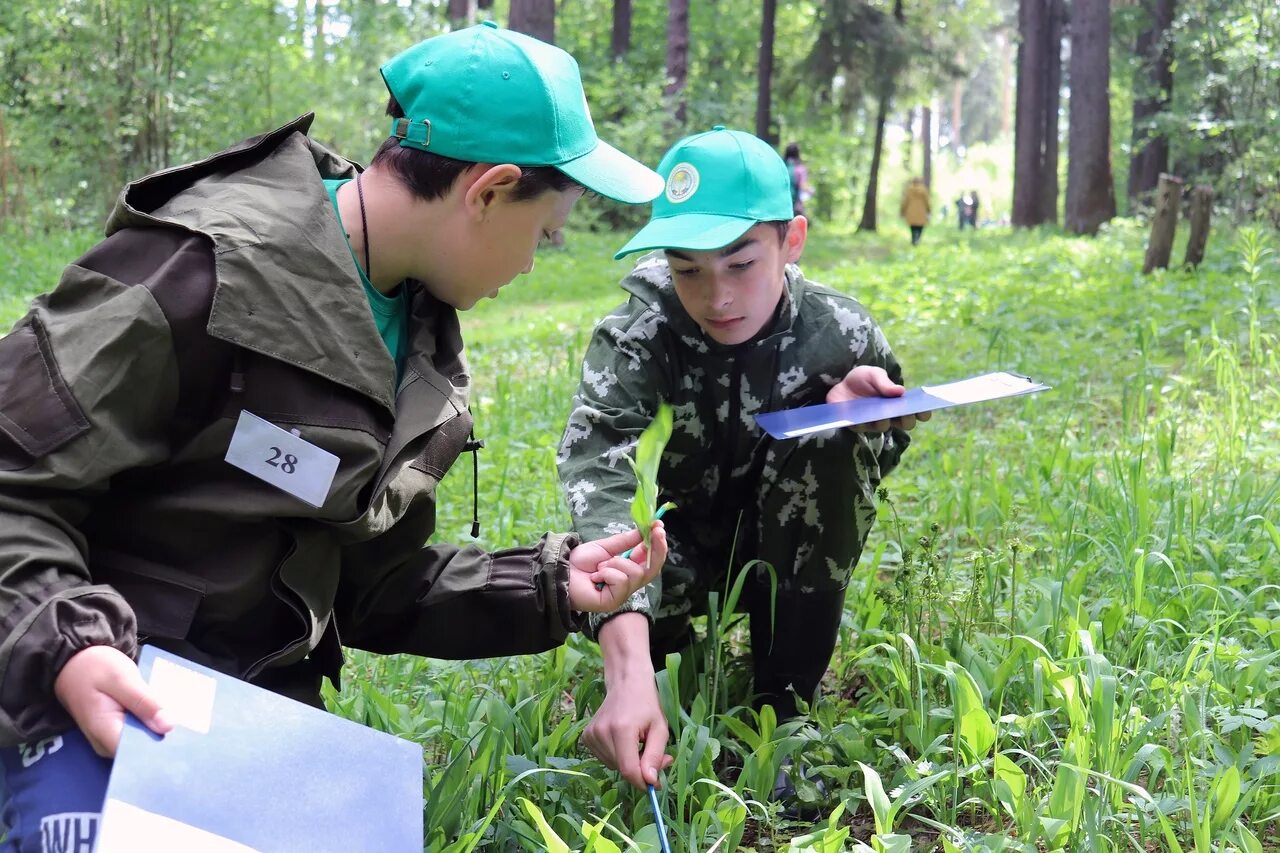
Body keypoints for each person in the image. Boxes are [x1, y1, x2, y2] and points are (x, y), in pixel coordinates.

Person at [0, 22, 670, 852]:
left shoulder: (417, 335)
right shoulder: (202, 270)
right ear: (489, 190)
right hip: (96, 685)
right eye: (545, 232)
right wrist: (65, 642)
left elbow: (368, 585)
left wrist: (546, 584)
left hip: (250, 716)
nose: (535, 263)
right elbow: (13, 479)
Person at [557, 128, 928, 793]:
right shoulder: (645, 329)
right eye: (687, 268)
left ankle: (783, 712)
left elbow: (882, 456)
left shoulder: (839, 332)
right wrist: (626, 643)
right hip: (684, 542)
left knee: (837, 451)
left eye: (739, 262)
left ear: (792, 241)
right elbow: (595, 455)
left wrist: (850, 414)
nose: (716, 294)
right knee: (633, 590)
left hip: (788, 547)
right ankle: (656, 681)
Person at [783, 142, 813, 216]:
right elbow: (803, 186)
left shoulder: (782, 166)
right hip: (794, 205)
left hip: (780, 206)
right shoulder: (800, 168)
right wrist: (811, 190)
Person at [899, 177, 931, 245]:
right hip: (921, 212)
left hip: (911, 212)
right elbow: (927, 202)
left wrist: (902, 211)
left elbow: (905, 202)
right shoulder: (924, 190)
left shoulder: (909, 190)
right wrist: (929, 210)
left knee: (913, 227)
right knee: (920, 227)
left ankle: (914, 239)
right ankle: (918, 239)